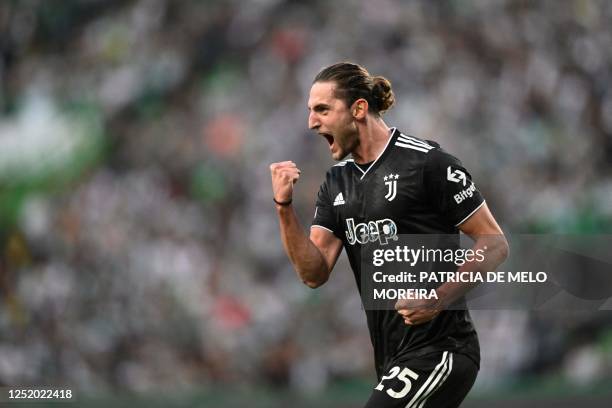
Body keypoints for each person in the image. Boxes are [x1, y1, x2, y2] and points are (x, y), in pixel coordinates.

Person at [269, 62, 508, 408]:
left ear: (359, 109)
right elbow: (313, 272)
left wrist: (438, 299)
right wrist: (283, 206)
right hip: (392, 360)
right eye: (310, 111)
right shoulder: (337, 182)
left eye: (322, 109)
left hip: (441, 350)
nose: (311, 122)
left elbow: (495, 243)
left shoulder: (428, 164)